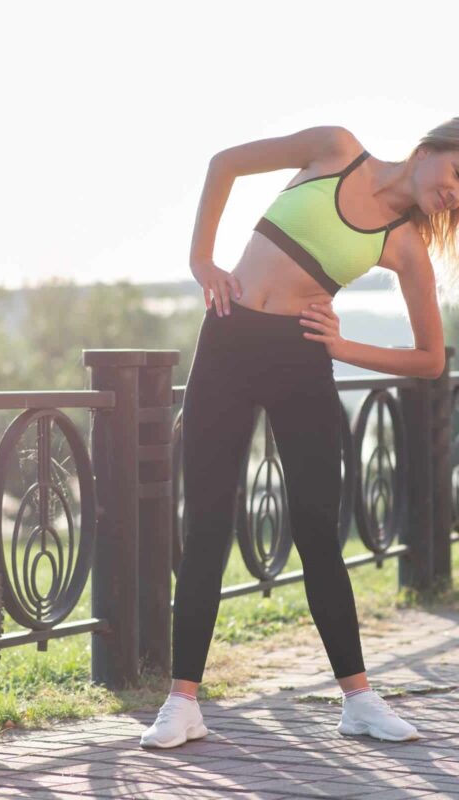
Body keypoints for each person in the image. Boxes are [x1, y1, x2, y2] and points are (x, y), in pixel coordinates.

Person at [141, 119, 459, 748]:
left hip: (301, 358)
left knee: (317, 531)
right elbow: (224, 161)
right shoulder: (334, 148)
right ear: (430, 150)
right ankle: (182, 704)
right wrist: (202, 259)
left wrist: (345, 346)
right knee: (205, 522)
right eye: (458, 176)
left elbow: (431, 358)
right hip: (227, 339)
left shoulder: (403, 246)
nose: (455, 195)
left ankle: (359, 701)